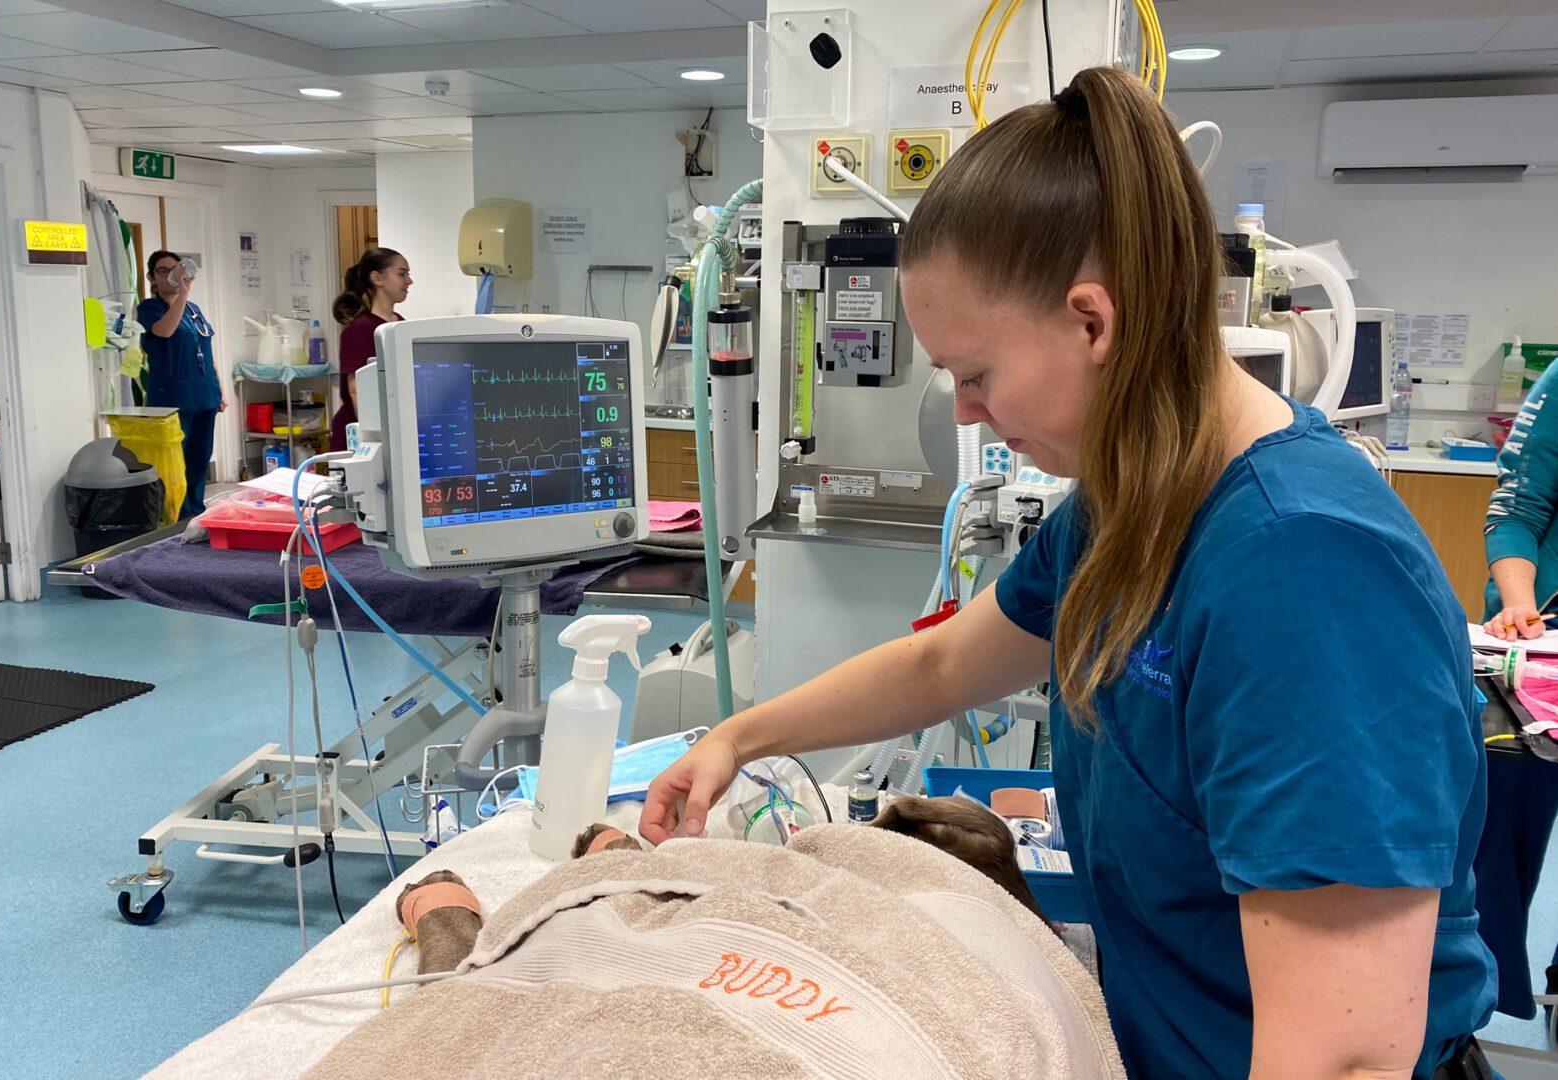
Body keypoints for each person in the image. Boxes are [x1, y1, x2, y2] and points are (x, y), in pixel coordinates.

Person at [642, 68, 1496, 1080]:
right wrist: (740, 739)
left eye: (975, 374)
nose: (963, 412)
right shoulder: (1133, 505)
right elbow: (943, 667)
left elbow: (1346, 1058)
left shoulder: (1303, 570)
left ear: (1092, 323)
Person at [1477, 362, 1558, 1028]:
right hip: (1540, 634)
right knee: (1508, 787)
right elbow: (1516, 509)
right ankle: (1479, 993)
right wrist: (1522, 609)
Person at [137, 250, 223, 521]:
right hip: (173, 398)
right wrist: (182, 295)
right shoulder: (149, 309)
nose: (172, 275)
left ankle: (195, 511)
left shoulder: (194, 310)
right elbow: (165, 331)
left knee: (199, 458)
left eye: (176, 268)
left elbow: (205, 348)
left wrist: (217, 388)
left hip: (203, 395)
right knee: (175, 464)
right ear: (152, 277)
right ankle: (178, 517)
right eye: (163, 271)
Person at [330, 248, 412, 452]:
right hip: (362, 436)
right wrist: (374, 441)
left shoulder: (400, 324)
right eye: (402, 274)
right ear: (377, 278)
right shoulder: (360, 329)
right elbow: (357, 391)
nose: (409, 281)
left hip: (393, 428)